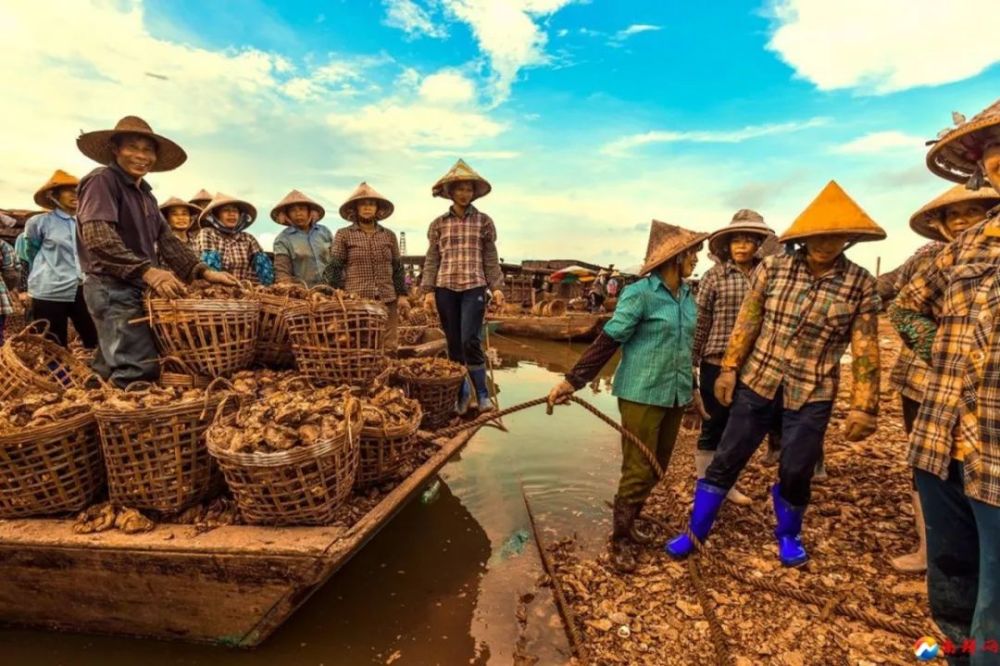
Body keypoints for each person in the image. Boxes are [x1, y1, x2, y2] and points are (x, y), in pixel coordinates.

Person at [667, 181, 884, 567]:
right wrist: (729, 369)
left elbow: (865, 348)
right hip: (759, 379)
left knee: (797, 467)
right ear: (804, 235)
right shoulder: (775, 267)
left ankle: (788, 534)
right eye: (818, 235)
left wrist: (864, 406)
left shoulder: (860, 283)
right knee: (727, 456)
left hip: (813, 389)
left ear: (849, 239)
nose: (826, 243)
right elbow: (748, 322)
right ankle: (695, 533)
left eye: (836, 237)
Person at [890, 98, 1000, 663]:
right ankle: (957, 653)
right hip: (942, 436)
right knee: (953, 577)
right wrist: (948, 356)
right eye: (995, 148)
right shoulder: (968, 247)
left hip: (996, 453)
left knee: (995, 600)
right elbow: (906, 307)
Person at [548, 221, 708, 572]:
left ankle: (631, 521)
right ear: (674, 257)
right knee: (638, 467)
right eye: (692, 253)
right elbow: (609, 341)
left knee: (658, 465)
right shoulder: (640, 294)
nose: (696, 258)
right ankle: (619, 539)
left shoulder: (686, 295)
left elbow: (686, 351)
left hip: (675, 393)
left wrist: (694, 392)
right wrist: (573, 381)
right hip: (642, 393)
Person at [75, 115, 240, 387]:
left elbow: (167, 240)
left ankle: (96, 409)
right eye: (133, 148)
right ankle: (128, 420)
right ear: (116, 149)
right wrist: (147, 271)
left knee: (112, 358)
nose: (142, 156)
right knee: (137, 367)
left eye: (148, 150)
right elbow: (98, 237)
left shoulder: (146, 195)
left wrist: (203, 272)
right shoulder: (103, 181)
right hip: (111, 286)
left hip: (133, 284)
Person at [886, 183, 999, 575]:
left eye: (973, 211)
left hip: (988, 386)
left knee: (983, 465)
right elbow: (901, 306)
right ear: (941, 223)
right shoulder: (929, 259)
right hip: (924, 380)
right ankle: (929, 547)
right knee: (931, 461)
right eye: (955, 214)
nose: (963, 220)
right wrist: (942, 348)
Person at [692, 209, 774, 506]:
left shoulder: (769, 274)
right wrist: (692, 360)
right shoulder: (714, 277)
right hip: (716, 360)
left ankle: (726, 484)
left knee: (740, 428)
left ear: (757, 244)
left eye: (748, 241)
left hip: (755, 362)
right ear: (727, 246)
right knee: (713, 424)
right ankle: (705, 486)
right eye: (736, 241)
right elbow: (701, 321)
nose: (741, 246)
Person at [421, 159, 505, 413]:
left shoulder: (484, 221)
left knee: (470, 339)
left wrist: (497, 286)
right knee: (454, 343)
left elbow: (490, 257)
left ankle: (482, 394)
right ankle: (462, 393)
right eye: (460, 189)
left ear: (474, 193)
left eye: (469, 189)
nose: (465, 194)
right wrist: (427, 291)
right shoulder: (438, 224)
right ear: (450, 192)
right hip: (445, 287)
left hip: (474, 286)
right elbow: (432, 259)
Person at [323, 182, 408, 351]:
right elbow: (335, 266)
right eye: (362, 204)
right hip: (357, 298)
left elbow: (397, 267)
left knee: (389, 344)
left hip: (387, 296)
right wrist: (330, 292)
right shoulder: (344, 234)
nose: (367, 208)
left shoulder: (389, 235)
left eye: (371, 204)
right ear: (355, 209)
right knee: (360, 343)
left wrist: (402, 295)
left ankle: (388, 374)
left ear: (377, 209)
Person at [22, 170, 98, 349]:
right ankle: (62, 377)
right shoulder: (39, 222)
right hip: (49, 290)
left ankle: (94, 375)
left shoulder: (88, 222)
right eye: (68, 190)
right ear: (53, 195)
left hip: (82, 288)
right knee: (54, 345)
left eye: (78, 190)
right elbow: (29, 254)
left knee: (94, 338)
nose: (75, 194)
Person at [195, 193, 274, 285]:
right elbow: (211, 268)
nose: (232, 214)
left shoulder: (248, 238)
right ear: (216, 215)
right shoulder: (207, 233)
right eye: (226, 210)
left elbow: (264, 268)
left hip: (244, 290)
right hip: (216, 289)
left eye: (235, 211)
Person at [271, 189, 333, 288]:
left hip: (332, 291)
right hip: (303, 294)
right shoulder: (282, 239)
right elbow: (282, 272)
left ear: (309, 211)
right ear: (287, 215)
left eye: (302, 209)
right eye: (293, 210)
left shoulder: (324, 232)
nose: (298, 213)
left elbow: (337, 261)